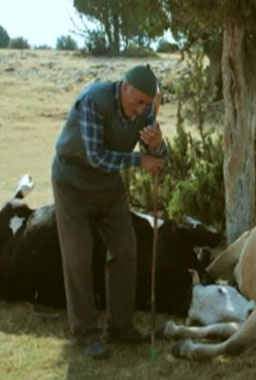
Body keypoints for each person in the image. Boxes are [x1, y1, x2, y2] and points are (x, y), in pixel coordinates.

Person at [51, 64, 167, 359]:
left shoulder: (146, 109)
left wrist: (158, 145)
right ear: (124, 87)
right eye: (138, 101)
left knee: (125, 249)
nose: (142, 109)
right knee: (78, 256)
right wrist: (139, 160)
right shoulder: (93, 101)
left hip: (108, 187)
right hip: (72, 182)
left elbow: (157, 157)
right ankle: (85, 333)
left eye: (147, 104)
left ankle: (120, 326)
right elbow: (96, 157)